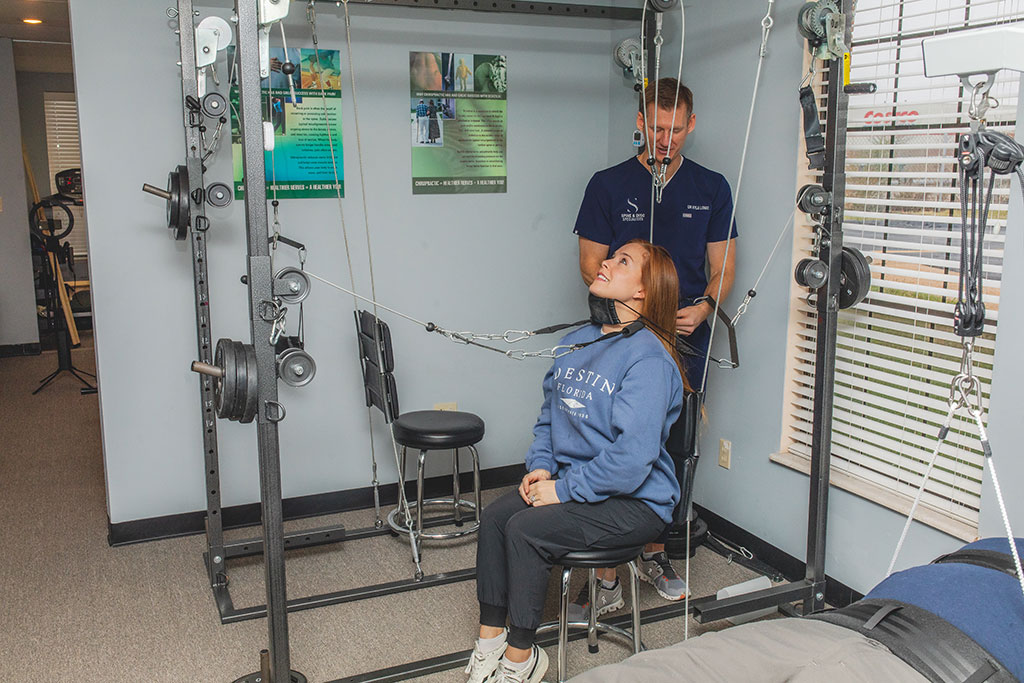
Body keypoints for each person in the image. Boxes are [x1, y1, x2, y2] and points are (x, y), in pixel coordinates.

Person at [466, 240, 687, 683]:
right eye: (612, 256)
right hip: (573, 481)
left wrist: (563, 490)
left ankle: (520, 659)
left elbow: (633, 459)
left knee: (525, 530)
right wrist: (542, 467)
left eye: (622, 262)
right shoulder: (575, 343)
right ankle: (489, 643)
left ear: (644, 291)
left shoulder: (649, 360)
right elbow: (550, 417)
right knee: (494, 518)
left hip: (635, 501)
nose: (606, 262)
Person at [571, 77, 738, 611]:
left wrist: (706, 305)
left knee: (671, 446)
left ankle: (653, 548)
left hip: (686, 338)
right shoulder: (607, 184)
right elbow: (589, 266)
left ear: (692, 125)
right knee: (608, 439)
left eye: (675, 129)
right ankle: (602, 566)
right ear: (641, 123)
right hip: (620, 336)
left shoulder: (711, 188)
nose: (665, 140)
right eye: (656, 128)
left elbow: (723, 268)